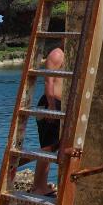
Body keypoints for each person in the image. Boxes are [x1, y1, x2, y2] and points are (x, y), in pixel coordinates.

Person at [33, 44, 64, 195]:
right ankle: (38, 187)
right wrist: (51, 107)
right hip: (50, 103)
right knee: (47, 147)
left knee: (55, 146)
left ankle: (42, 185)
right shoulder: (57, 54)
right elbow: (48, 82)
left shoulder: (71, 55)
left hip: (61, 106)